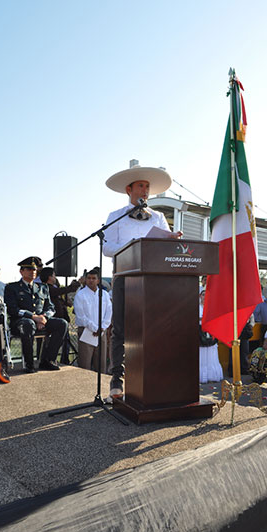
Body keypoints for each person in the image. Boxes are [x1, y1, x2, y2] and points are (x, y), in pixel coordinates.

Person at [103, 163, 182, 399]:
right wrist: (133, 246)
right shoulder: (115, 216)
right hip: (124, 279)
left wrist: (171, 239)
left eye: (147, 187)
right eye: (141, 186)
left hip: (153, 282)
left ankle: (151, 378)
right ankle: (117, 380)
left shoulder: (157, 217)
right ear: (129, 189)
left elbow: (166, 244)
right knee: (120, 330)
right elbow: (107, 248)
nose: (145, 191)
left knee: (152, 330)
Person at [4, 257, 67, 373]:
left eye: (34, 269)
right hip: (21, 322)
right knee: (28, 324)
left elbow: (50, 307)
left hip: (41, 321)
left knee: (62, 324)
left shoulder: (42, 288)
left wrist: (44, 318)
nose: (32, 272)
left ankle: (48, 360)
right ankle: (29, 363)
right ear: (21, 271)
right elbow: (13, 309)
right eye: (28, 269)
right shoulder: (12, 288)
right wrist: (33, 317)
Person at [73, 269, 112, 373]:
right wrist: (95, 328)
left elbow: (109, 312)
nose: (91, 280)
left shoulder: (104, 294)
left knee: (101, 365)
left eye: (94, 278)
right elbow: (81, 316)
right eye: (89, 278)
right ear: (85, 280)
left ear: (98, 280)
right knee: (85, 366)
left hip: (101, 332)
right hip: (86, 332)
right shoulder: (80, 295)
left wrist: (103, 327)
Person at [39, 267, 81, 363]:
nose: (55, 278)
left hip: (61, 320)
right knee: (52, 343)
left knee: (64, 343)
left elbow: (60, 297)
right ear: (49, 277)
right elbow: (63, 290)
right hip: (54, 321)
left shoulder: (53, 289)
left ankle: (63, 360)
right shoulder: (45, 288)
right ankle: (49, 360)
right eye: (54, 276)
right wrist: (76, 284)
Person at [198, 289, 223, 383]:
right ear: (200, 296)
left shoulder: (212, 308)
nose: (204, 297)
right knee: (202, 355)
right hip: (200, 334)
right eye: (203, 295)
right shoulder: (197, 307)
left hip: (211, 333)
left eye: (206, 295)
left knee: (211, 355)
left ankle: (212, 375)